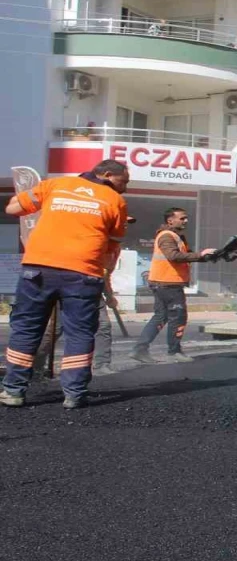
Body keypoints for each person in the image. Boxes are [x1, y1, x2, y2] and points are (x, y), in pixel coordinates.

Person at [1, 159, 130, 409]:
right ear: (106, 174)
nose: (124, 187)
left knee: (26, 329)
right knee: (79, 333)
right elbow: (112, 244)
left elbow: (13, 208)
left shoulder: (55, 185)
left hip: (39, 268)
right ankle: (74, 394)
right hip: (83, 273)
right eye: (123, 181)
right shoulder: (115, 200)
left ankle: (13, 391)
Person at [31, 216, 135, 381]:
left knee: (103, 326)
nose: (125, 227)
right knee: (57, 329)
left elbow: (105, 273)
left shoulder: (115, 247)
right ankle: (36, 365)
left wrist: (109, 295)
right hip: (70, 287)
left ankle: (102, 365)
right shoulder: (93, 240)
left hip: (94, 289)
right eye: (122, 223)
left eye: (126, 224)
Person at [130, 208, 215, 364]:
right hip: (168, 283)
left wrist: (207, 256)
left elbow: (186, 255)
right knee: (178, 317)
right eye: (182, 218)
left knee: (161, 316)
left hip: (163, 282)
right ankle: (174, 351)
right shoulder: (167, 236)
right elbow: (174, 256)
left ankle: (140, 350)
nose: (186, 221)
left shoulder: (175, 236)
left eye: (186, 218)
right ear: (170, 220)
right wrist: (201, 255)